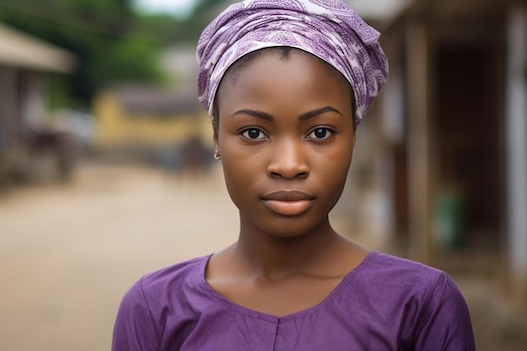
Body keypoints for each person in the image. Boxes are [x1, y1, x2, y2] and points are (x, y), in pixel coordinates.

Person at [112, 0, 476, 350]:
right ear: (216, 138)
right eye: (253, 132)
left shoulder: (420, 305)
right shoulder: (155, 310)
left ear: (353, 136)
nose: (288, 165)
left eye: (320, 132)